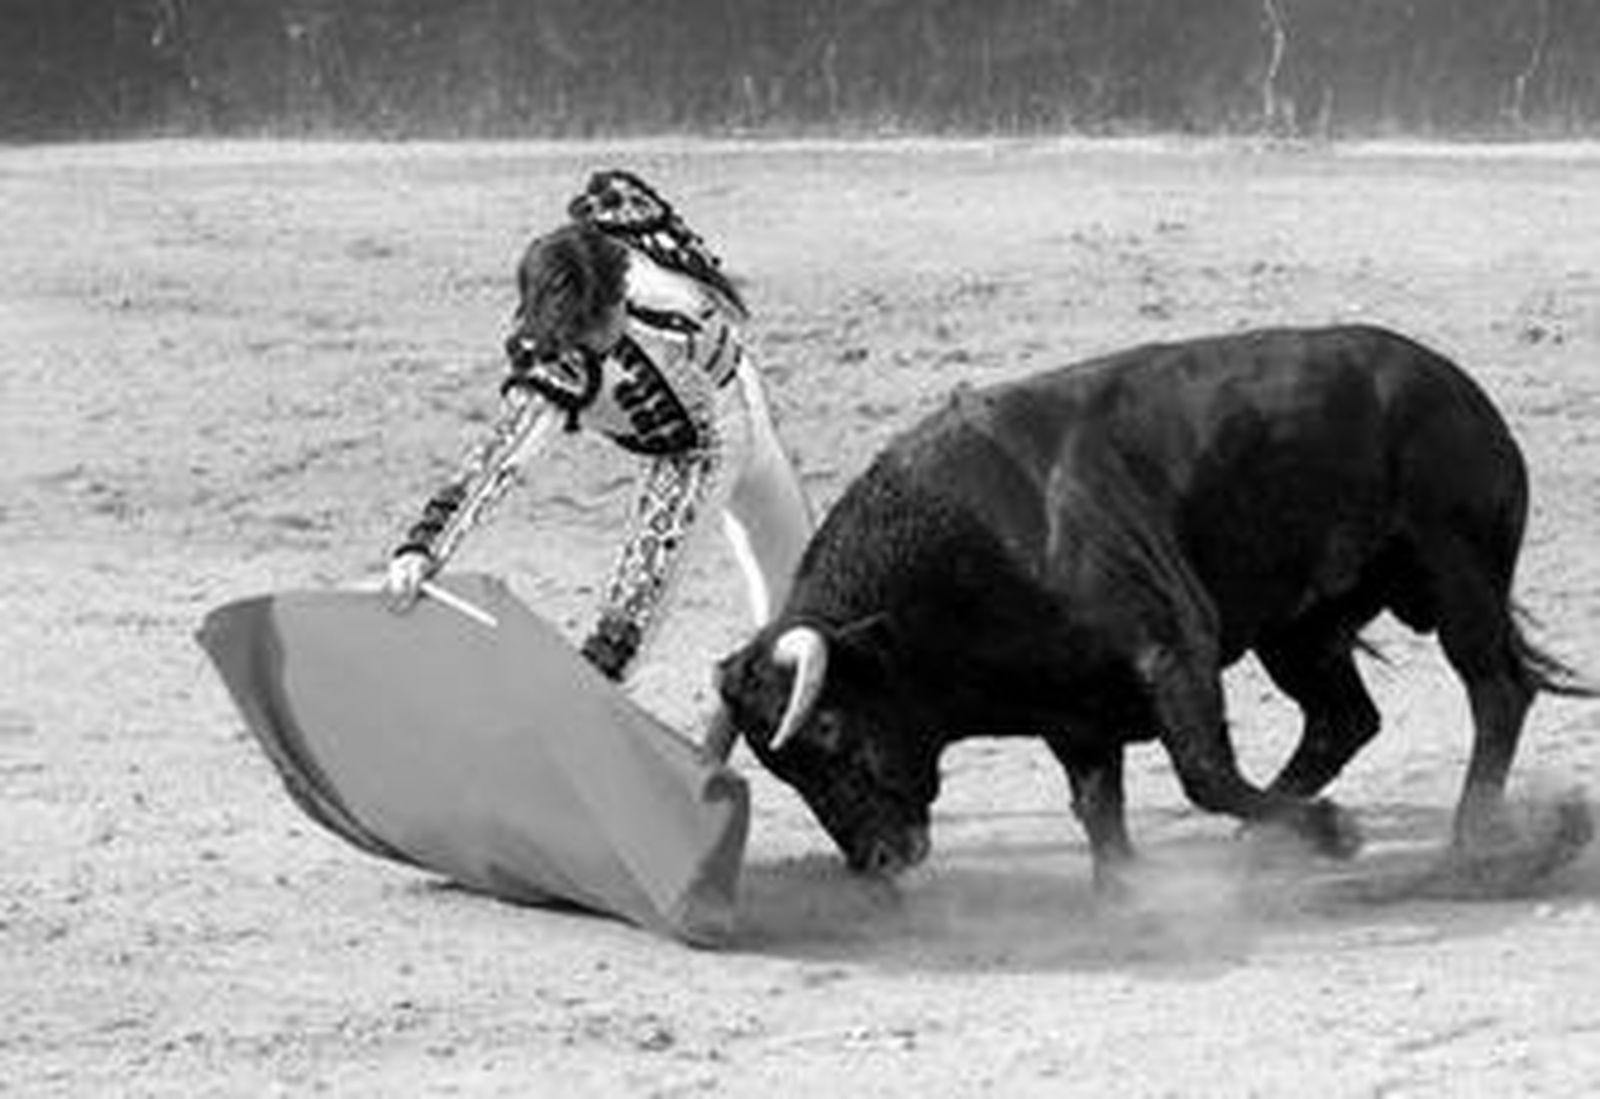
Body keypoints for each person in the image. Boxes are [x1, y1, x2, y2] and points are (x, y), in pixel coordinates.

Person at [385, 170, 814, 683]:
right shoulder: (556, 361)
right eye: (596, 322)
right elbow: (498, 459)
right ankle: (601, 706)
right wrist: (423, 548)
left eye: (611, 305)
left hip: (739, 407)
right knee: (626, 633)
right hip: (690, 450)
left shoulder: (635, 260)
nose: (612, 323)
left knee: (801, 608)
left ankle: (739, 724)